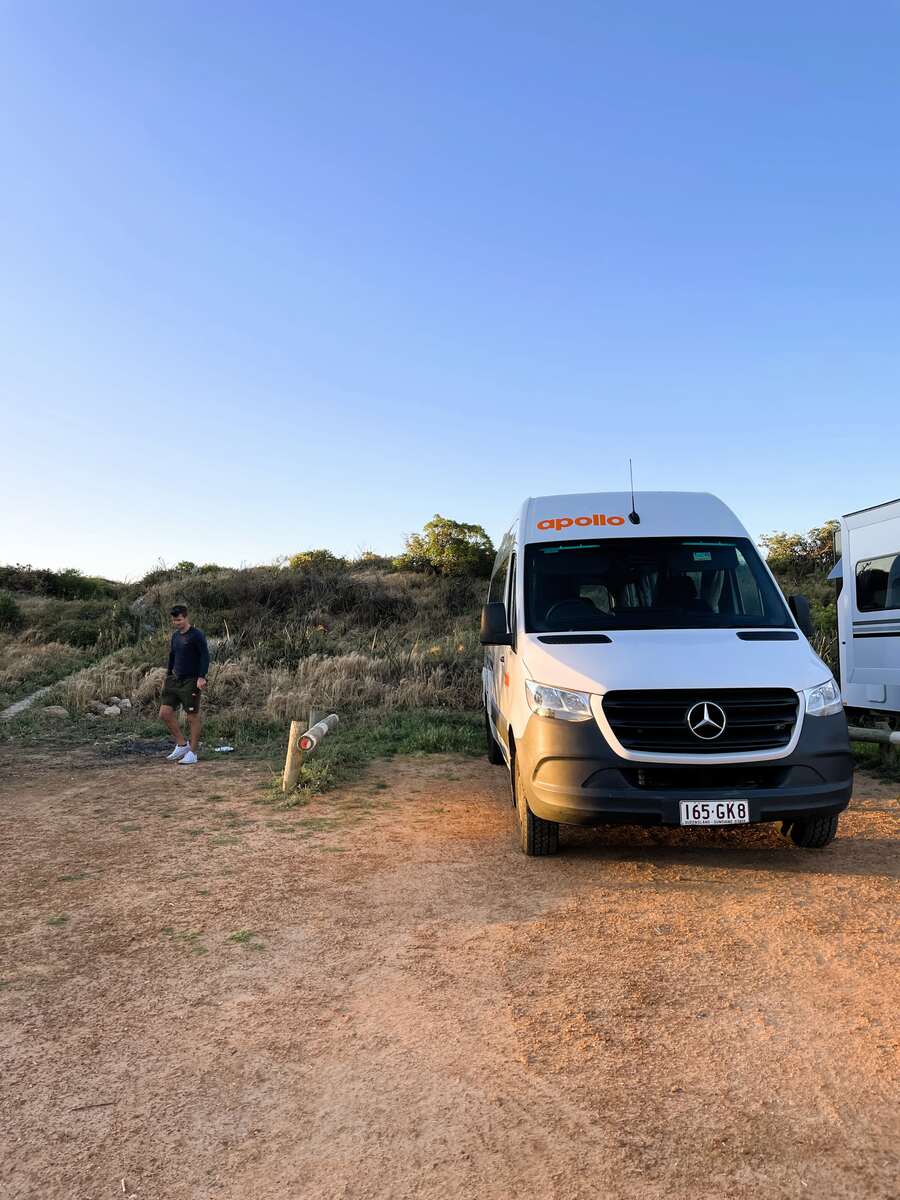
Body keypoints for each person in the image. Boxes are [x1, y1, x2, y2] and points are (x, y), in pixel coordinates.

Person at [159, 604, 210, 765]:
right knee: (165, 713)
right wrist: (168, 675)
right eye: (174, 621)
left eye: (179, 620)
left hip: (191, 681)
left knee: (191, 717)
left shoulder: (196, 635)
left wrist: (201, 677)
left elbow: (205, 656)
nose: (177, 623)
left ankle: (192, 753)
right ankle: (182, 745)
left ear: (186, 617)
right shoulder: (175, 636)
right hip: (174, 679)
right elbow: (172, 656)